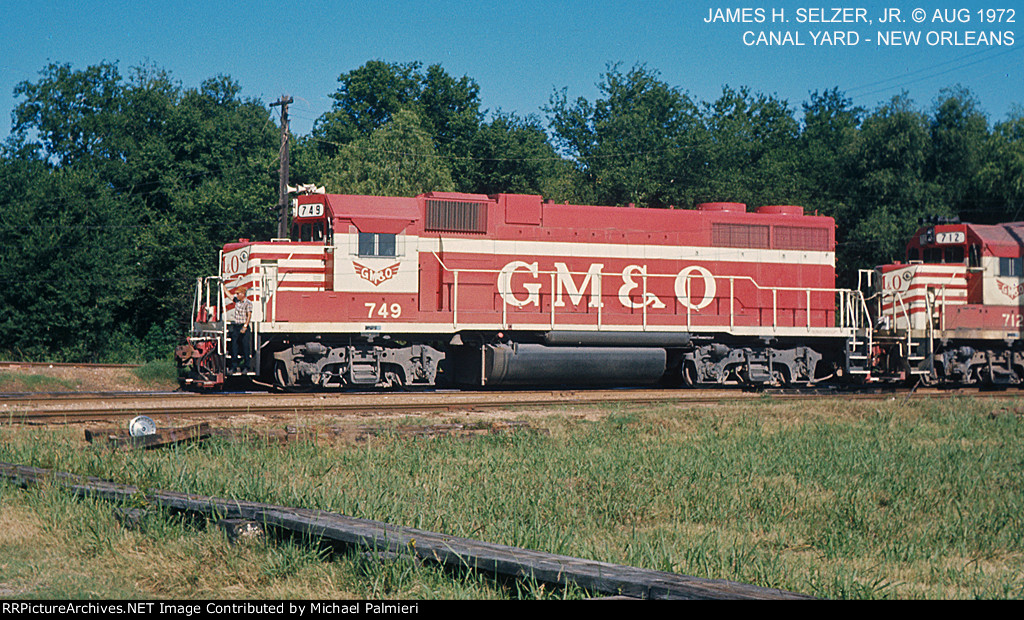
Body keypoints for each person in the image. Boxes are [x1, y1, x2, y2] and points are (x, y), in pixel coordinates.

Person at [229, 287, 253, 373]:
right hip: (236, 326)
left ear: (243, 294)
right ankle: (234, 367)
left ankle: (246, 366)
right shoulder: (237, 301)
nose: (236, 295)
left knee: (245, 346)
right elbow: (230, 296)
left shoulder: (248, 303)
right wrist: (222, 286)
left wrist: (245, 326)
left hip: (244, 325)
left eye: (238, 293)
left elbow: (249, 315)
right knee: (234, 346)